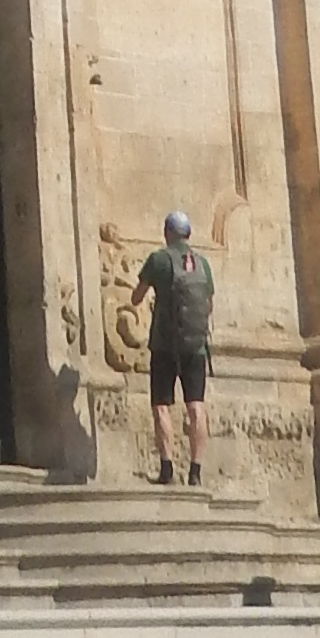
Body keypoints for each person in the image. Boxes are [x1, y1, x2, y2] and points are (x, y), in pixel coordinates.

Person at [133, 206, 215, 485]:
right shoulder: (203, 264)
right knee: (196, 406)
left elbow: (136, 298)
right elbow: (209, 305)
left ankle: (167, 468)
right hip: (196, 347)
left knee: (162, 406)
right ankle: (195, 472)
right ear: (188, 234)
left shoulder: (158, 260)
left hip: (164, 345)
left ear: (167, 233)